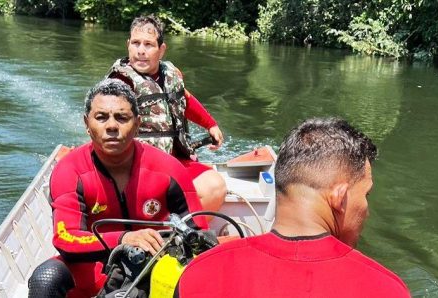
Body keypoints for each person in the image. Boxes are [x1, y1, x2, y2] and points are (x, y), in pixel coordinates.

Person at [177, 117, 411, 297]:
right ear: (340, 198)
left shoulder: (198, 274)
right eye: (366, 194)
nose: (367, 209)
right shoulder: (386, 288)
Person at [28, 79, 207, 298]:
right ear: (87, 123)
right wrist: (123, 239)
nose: (111, 126)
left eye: (122, 117)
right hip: (93, 269)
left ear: (138, 123)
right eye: (101, 117)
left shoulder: (169, 169)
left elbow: (199, 233)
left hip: (156, 266)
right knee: (45, 279)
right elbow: (65, 240)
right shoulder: (69, 170)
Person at [105, 15, 226, 212]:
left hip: (175, 160)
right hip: (137, 166)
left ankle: (183, 237)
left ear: (161, 50)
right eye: (136, 43)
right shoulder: (120, 83)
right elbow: (105, 125)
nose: (141, 51)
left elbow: (184, 99)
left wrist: (210, 124)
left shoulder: (171, 73)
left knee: (215, 186)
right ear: (128, 45)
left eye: (149, 44)